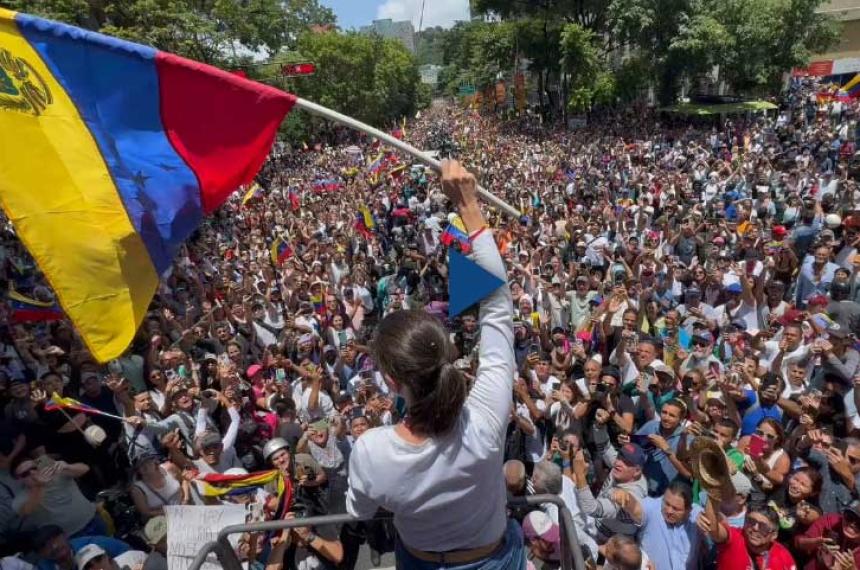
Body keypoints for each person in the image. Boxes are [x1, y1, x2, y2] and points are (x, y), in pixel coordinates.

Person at [345, 160, 524, 567]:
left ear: (391, 382)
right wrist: (469, 206)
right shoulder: (484, 420)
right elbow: (497, 307)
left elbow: (360, 511)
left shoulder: (371, 451)